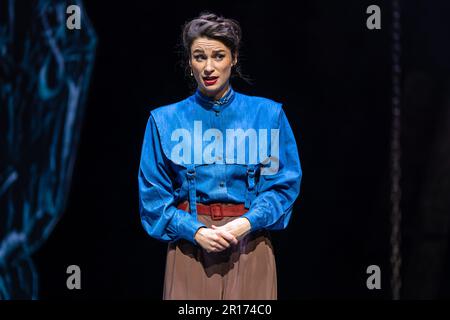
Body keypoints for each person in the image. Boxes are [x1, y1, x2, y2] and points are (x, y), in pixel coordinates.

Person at [138, 12, 302, 300]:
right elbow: (153, 198)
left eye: (218, 56)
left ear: (234, 58)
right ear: (189, 62)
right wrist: (196, 231)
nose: (209, 67)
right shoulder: (165, 120)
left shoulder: (267, 115)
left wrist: (245, 223)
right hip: (190, 247)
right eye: (200, 57)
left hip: (250, 244)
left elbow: (282, 185)